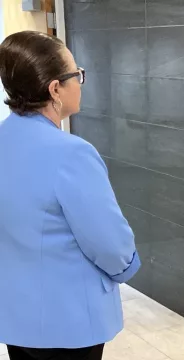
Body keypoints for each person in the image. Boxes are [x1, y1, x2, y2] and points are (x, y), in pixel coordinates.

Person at [0, 31, 141, 360]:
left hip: (16, 316)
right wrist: (126, 268)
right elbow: (109, 243)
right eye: (76, 75)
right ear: (55, 89)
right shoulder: (72, 154)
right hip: (68, 322)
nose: (80, 81)